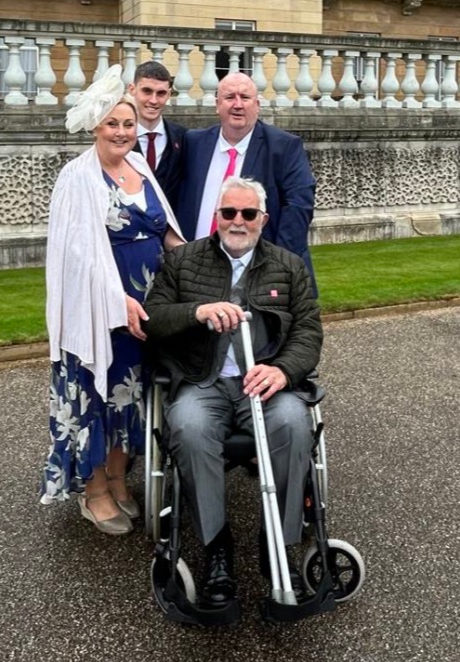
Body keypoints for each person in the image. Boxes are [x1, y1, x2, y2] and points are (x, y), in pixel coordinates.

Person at [144, 176, 322, 607]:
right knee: (186, 427)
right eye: (228, 213)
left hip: (263, 385)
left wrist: (282, 370)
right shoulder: (183, 262)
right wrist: (197, 310)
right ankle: (216, 549)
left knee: (296, 425)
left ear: (263, 219)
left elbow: (309, 332)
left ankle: (276, 546)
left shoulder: (288, 265)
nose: (237, 222)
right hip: (203, 382)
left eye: (247, 214)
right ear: (216, 216)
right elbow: (153, 318)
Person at [39, 64, 185, 536]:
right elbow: (72, 256)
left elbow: (166, 233)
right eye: (113, 124)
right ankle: (94, 490)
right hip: (100, 313)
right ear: (96, 128)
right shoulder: (77, 177)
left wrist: (203, 268)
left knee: (132, 397)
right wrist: (116, 300)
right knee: (98, 398)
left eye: (128, 124)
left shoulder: (140, 167)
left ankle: (121, 480)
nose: (122, 132)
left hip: (149, 309)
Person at [177, 72, 318, 296]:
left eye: (245, 97)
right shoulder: (193, 143)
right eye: (230, 97)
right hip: (198, 275)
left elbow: (298, 209)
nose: (238, 105)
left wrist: (274, 269)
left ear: (257, 105)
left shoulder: (284, 147)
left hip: (262, 276)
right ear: (217, 104)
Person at [128, 61, 188, 213]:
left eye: (160, 93)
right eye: (147, 91)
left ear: (168, 94)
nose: (153, 100)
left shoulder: (184, 138)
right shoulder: (119, 139)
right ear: (132, 90)